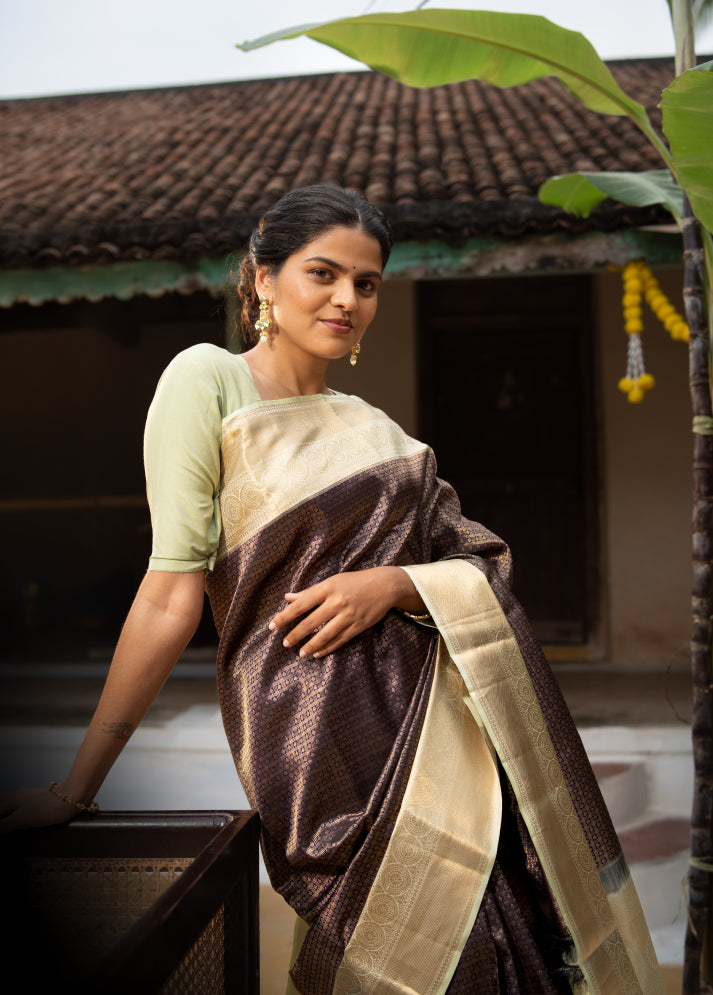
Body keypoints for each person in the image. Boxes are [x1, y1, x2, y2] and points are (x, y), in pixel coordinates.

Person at [1, 186, 662, 994]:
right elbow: (171, 592)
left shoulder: (372, 427)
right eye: (323, 273)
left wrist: (392, 584)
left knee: (491, 948)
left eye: (367, 282)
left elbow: (482, 560)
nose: (346, 299)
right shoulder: (206, 379)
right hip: (312, 738)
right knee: (386, 951)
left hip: (435, 728)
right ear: (262, 279)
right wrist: (77, 789)